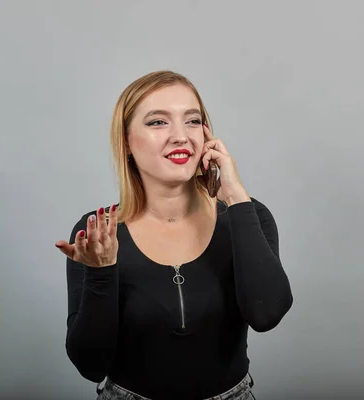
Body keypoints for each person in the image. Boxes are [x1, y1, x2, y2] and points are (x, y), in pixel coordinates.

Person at [55, 70, 293, 400]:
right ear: (126, 141)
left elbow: (266, 314)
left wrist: (236, 196)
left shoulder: (247, 215)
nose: (181, 136)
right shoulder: (100, 232)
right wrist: (100, 273)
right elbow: (91, 364)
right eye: (158, 122)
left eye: (192, 120)